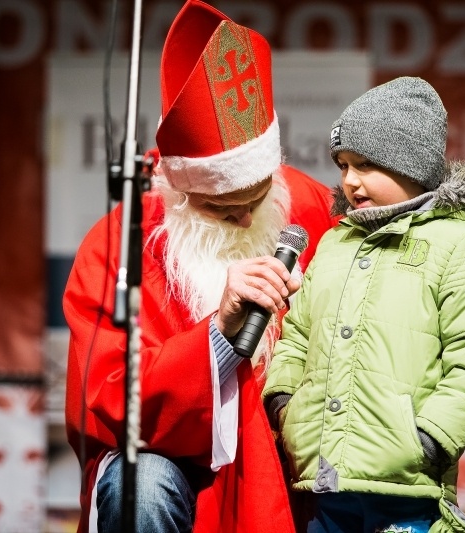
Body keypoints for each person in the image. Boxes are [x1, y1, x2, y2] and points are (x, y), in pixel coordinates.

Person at [63, 1, 336, 531]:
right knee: (139, 480)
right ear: (178, 189)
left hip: (287, 458)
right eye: (219, 207)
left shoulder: (309, 208)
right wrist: (218, 332)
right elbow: (106, 399)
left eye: (254, 200)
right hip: (175, 463)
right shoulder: (120, 243)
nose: (241, 217)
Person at [262, 77, 465, 533]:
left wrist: (427, 441)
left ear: (410, 162)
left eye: (367, 164)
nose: (350, 180)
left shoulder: (458, 244)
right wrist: (284, 406)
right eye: (343, 165)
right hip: (326, 488)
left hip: (408, 495)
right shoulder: (334, 243)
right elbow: (296, 337)